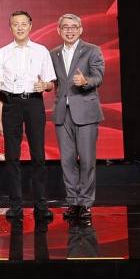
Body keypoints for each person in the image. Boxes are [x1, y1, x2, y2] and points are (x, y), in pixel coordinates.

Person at [0, 11, 56, 222]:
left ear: (30, 26)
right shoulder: (2, 53)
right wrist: (0, 118)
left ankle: (41, 204)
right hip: (10, 103)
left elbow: (51, 83)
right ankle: (15, 205)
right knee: (12, 156)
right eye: (15, 24)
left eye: (23, 24)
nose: (19, 28)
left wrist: (44, 85)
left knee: (38, 154)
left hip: (33, 102)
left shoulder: (41, 51)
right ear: (10, 27)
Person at [49, 13, 105, 222]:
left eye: (74, 27)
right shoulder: (53, 54)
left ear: (80, 30)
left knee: (87, 160)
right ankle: (73, 201)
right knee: (67, 161)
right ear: (59, 30)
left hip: (86, 112)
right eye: (65, 27)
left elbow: (98, 76)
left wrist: (85, 81)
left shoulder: (92, 50)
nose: (69, 31)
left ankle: (86, 203)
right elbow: (52, 80)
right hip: (62, 113)